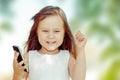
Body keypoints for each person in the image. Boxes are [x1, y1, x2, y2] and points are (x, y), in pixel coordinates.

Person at [13, 6, 87, 80]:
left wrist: (80, 50)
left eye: (56, 31)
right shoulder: (29, 57)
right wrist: (17, 74)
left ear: (64, 33)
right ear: (37, 32)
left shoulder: (67, 57)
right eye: (45, 31)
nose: (51, 36)